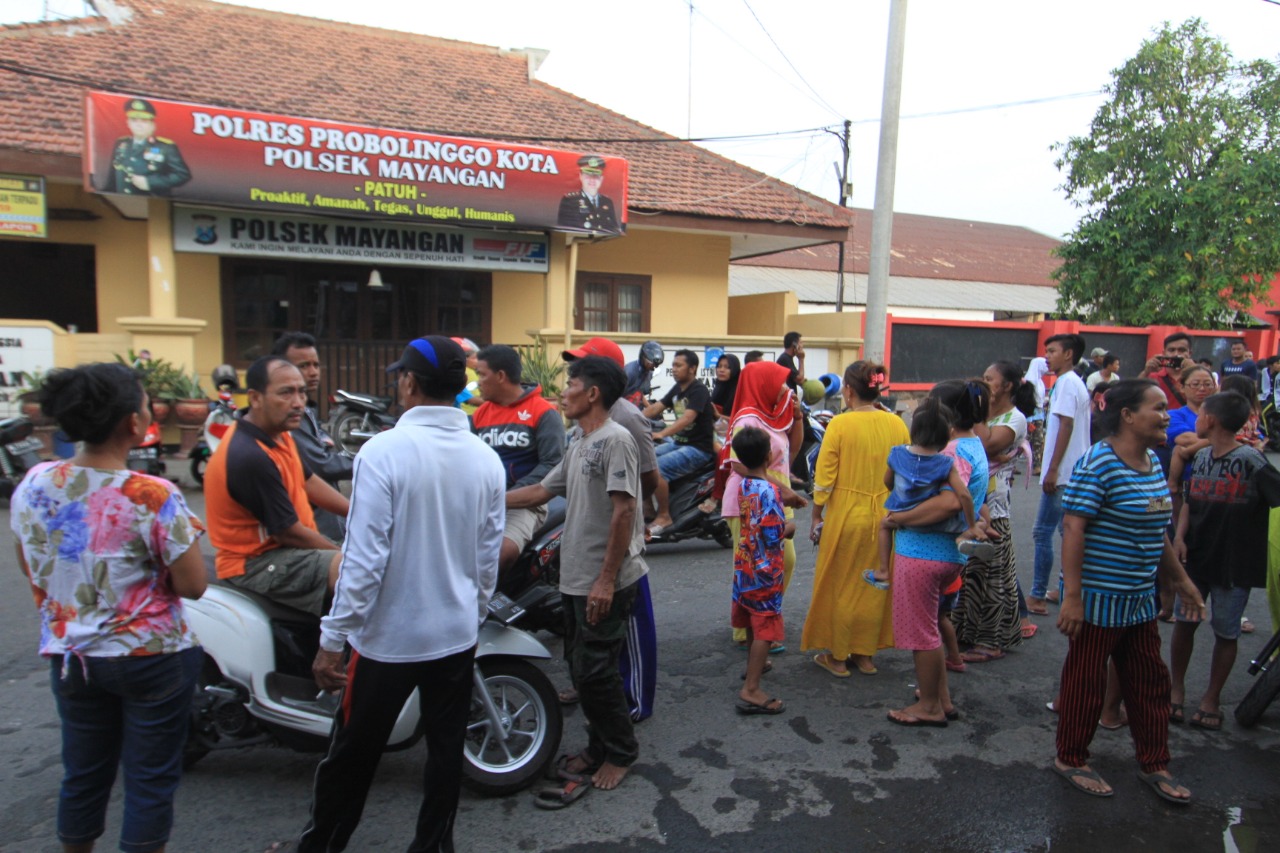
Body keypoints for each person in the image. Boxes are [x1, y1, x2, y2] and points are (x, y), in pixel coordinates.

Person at [288, 336, 505, 852]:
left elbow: (363, 561)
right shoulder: (484, 459)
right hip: (454, 634)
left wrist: (332, 640)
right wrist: (469, 616)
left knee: (352, 756)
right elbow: (486, 559)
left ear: (409, 382)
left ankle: (322, 845)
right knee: (446, 750)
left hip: (388, 640)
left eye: (399, 377)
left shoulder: (382, 452)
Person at [10, 362, 207, 853]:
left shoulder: (34, 483)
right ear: (133, 424)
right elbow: (193, 584)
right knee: (148, 781)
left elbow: (32, 566)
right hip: (152, 658)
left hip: (71, 657)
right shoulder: (153, 494)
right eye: (144, 404)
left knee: (82, 773)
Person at [1052, 379, 1206, 803]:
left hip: (1138, 598)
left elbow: (1156, 530)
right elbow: (1073, 528)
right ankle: (1071, 757)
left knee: (1150, 681)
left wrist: (1180, 581)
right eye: (1157, 408)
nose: (1165, 415)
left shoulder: (1153, 463)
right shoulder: (1097, 463)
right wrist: (1073, 597)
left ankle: (1155, 762)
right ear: (1127, 416)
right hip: (1098, 599)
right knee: (1085, 683)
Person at [507, 356, 648, 796]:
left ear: (592, 394)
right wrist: (480, 496)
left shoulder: (615, 440)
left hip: (603, 578)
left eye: (570, 383)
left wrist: (605, 579)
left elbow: (624, 510)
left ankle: (620, 752)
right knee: (579, 666)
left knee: (596, 672)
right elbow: (540, 491)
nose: (562, 391)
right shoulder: (580, 442)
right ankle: (596, 744)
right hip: (575, 576)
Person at [560, 337, 659, 722]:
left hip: (621, 541)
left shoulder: (626, 419)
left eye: (581, 371)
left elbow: (648, 478)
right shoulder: (583, 424)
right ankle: (596, 686)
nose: (572, 379)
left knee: (631, 621)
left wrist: (635, 523)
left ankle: (634, 701)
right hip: (591, 535)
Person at [1169, 391, 1280, 733]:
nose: (1197, 418)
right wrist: (1180, 536)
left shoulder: (1251, 460)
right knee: (1184, 624)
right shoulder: (1201, 458)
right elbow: (1190, 500)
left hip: (1235, 565)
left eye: (1200, 413)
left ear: (1211, 420)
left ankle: (1211, 699)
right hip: (1197, 557)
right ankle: (1176, 690)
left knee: (1226, 631)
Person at [204, 355, 350, 616]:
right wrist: (343, 554)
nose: (298, 403)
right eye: (286, 393)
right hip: (256, 563)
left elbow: (310, 481)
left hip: (287, 548)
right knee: (357, 571)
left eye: (301, 392)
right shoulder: (249, 455)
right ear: (255, 398)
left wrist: (357, 512)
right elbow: (288, 532)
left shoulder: (279, 435)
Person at [886, 380, 991, 726]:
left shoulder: (950, 453)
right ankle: (940, 699)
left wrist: (897, 518)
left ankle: (929, 706)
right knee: (930, 627)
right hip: (945, 555)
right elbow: (971, 500)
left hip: (922, 553)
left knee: (922, 635)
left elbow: (947, 503)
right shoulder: (974, 446)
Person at [803, 361, 909, 677]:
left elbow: (824, 478)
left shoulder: (840, 425)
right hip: (886, 515)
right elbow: (905, 473)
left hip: (846, 514)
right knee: (873, 584)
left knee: (841, 585)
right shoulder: (897, 425)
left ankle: (836, 657)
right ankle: (865, 654)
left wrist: (817, 514)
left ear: (848, 390)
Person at [721, 361, 808, 651]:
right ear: (764, 384)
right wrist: (785, 491)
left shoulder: (773, 417)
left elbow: (791, 452)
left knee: (785, 560)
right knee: (752, 565)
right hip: (751, 499)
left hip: (776, 495)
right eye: (781, 383)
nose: (786, 388)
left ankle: (763, 619)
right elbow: (740, 465)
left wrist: (797, 418)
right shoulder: (747, 418)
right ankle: (750, 629)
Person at [865, 399, 987, 591]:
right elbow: (963, 495)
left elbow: (887, 481)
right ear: (947, 436)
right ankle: (966, 535)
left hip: (903, 516)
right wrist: (971, 524)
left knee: (884, 525)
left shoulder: (896, 454)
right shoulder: (945, 463)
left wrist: (901, 493)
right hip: (935, 523)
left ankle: (883, 571)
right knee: (981, 520)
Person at [959, 360, 1038, 650]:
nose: (984, 382)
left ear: (1007, 386)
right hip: (971, 503)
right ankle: (968, 635)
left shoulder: (1014, 418)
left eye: (989, 379)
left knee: (992, 576)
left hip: (994, 505)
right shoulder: (985, 414)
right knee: (970, 575)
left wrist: (974, 411)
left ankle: (991, 641)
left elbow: (986, 445)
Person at [471, 343, 565, 573]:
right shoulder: (480, 415)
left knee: (500, 554)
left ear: (501, 376)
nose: (477, 383)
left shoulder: (543, 413)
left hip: (525, 504)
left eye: (482, 375)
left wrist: (509, 496)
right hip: (481, 501)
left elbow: (552, 464)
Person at [731, 426, 797, 716]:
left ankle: (754, 666)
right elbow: (774, 534)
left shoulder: (744, 484)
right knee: (766, 628)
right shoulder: (769, 490)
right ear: (770, 455)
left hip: (745, 565)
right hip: (765, 570)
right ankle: (752, 689)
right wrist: (791, 527)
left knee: (748, 616)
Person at [1029, 334, 1092, 615]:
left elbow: (1065, 425)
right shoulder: (1071, 382)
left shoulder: (1067, 383)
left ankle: (1038, 594)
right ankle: (1065, 590)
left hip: (1064, 472)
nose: (1047, 357)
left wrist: (1052, 469)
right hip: (1072, 470)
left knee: (1043, 532)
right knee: (1066, 533)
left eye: (1052, 351)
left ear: (1068, 354)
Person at [272, 331, 354, 542]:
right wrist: (367, 461)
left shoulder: (308, 410)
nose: (313, 372)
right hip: (312, 529)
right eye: (304, 366)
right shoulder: (287, 418)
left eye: (316, 365)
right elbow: (322, 464)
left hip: (328, 523)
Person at [643, 349, 716, 536]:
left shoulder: (698, 390)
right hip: (680, 444)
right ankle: (648, 508)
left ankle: (664, 515)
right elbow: (655, 409)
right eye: (673, 365)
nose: (674, 369)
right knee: (641, 460)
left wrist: (661, 434)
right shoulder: (677, 389)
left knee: (657, 469)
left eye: (678, 365)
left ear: (692, 369)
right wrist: (626, 419)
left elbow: (688, 418)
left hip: (698, 448)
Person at [107, 98, 191, 196]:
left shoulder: (165, 147)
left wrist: (149, 182)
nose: (139, 125)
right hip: (122, 200)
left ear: (152, 125)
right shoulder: (121, 143)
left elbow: (182, 175)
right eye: (134, 120)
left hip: (151, 201)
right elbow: (113, 174)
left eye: (144, 121)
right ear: (128, 123)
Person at [556, 154, 620, 234]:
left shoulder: (607, 202)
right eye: (588, 175)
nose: (592, 180)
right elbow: (563, 229)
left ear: (601, 179)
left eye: (596, 176)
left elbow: (614, 229)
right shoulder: (570, 200)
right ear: (581, 176)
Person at [1139, 331, 1193, 411]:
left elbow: (1211, 398)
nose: (1176, 354)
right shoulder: (1153, 376)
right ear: (1164, 353)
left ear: (1189, 353)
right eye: (1171, 350)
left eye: (1181, 350)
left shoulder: (1198, 376)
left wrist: (1194, 370)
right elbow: (1134, 395)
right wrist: (1146, 372)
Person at [623, 340, 664, 408]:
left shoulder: (649, 372)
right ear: (643, 358)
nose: (654, 367)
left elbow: (639, 393)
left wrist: (650, 408)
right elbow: (617, 396)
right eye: (652, 364)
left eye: (656, 365)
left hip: (635, 409)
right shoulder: (629, 372)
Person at [1026, 356, 1049, 474]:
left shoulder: (1039, 381)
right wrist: (1028, 419)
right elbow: (1027, 401)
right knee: (1025, 440)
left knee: (1038, 441)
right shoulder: (1029, 381)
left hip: (1039, 415)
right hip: (1030, 416)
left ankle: (1037, 465)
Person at [709, 352, 742, 421]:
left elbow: (742, 419)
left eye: (727, 367)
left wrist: (719, 416)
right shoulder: (718, 387)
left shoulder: (740, 391)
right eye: (719, 366)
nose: (721, 370)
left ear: (734, 369)